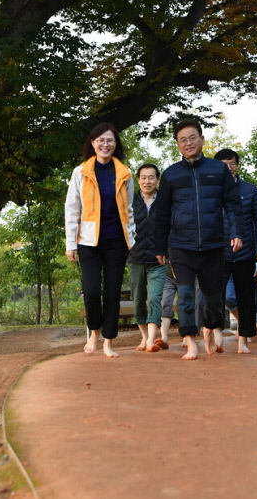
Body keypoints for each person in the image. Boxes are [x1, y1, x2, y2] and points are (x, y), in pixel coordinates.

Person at [153, 118, 243, 359]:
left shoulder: (218, 170)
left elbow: (232, 204)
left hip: (214, 244)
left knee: (214, 297)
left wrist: (235, 232)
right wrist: (159, 245)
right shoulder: (171, 175)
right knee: (186, 295)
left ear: (202, 139)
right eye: (183, 140)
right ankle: (189, 340)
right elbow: (161, 213)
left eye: (193, 137)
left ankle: (211, 329)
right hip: (181, 245)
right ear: (177, 145)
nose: (188, 143)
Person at [65, 122, 135, 358]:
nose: (106, 145)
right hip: (88, 242)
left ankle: (109, 341)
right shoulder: (81, 172)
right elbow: (72, 208)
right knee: (92, 291)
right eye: (101, 141)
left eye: (110, 141)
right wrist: (70, 244)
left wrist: (131, 241)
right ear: (93, 143)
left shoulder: (124, 173)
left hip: (116, 241)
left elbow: (130, 210)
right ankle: (94, 332)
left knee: (113, 292)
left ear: (116, 144)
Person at [214, 148, 257, 354]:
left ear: (238, 166)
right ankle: (216, 333)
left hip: (245, 253)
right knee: (215, 296)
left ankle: (243, 340)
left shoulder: (250, 190)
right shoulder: (210, 192)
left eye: (232, 163)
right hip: (217, 252)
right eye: (223, 164)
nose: (228, 168)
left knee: (246, 297)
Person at [128, 163, 168, 352]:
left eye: (151, 177)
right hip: (135, 259)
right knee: (138, 301)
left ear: (157, 180)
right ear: (138, 180)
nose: (147, 181)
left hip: (158, 261)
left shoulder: (165, 201)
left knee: (154, 298)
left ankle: (151, 340)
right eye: (143, 177)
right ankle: (144, 337)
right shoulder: (131, 202)